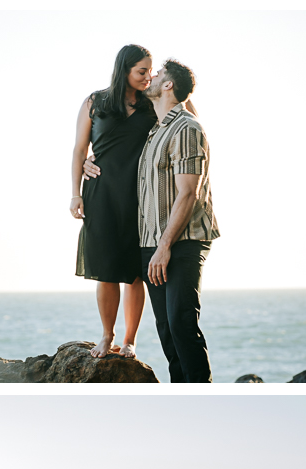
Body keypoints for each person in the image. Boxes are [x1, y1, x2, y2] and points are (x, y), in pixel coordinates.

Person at [83, 58, 218, 382]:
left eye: (156, 74)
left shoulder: (186, 127)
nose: (151, 77)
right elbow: (116, 150)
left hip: (180, 241)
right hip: (153, 241)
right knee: (168, 331)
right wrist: (93, 159)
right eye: (146, 71)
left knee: (182, 324)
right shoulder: (155, 129)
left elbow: (188, 193)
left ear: (168, 86)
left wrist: (164, 246)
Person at [70, 44, 155, 360]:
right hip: (101, 193)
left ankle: (130, 341)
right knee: (105, 269)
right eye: (141, 71)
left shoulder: (153, 104)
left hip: (140, 196)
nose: (148, 77)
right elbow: (79, 151)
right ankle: (107, 336)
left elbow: (187, 116)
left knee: (135, 272)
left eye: (150, 70)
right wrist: (75, 191)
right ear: (125, 70)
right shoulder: (96, 102)